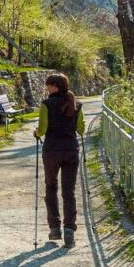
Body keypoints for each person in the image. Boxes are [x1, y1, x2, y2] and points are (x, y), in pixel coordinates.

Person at [34, 73, 85, 249]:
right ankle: (69, 229)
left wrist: (36, 133)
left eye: (48, 85)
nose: (47, 88)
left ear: (55, 86)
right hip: (71, 150)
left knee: (51, 187)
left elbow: (42, 129)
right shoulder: (76, 104)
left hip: (52, 151)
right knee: (69, 191)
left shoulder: (46, 104)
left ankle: (55, 228)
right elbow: (81, 130)